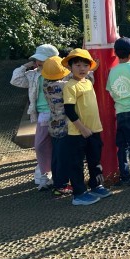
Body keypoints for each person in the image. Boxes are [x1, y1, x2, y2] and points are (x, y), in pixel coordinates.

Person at [62, 48, 113, 206]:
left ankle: (96, 185)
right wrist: (82, 128)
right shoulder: (70, 86)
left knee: (95, 160)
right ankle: (79, 194)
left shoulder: (88, 82)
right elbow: (69, 110)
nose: (82, 68)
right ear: (70, 67)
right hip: (78, 133)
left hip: (94, 130)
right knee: (76, 163)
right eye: (77, 65)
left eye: (85, 65)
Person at [11, 43, 59, 190]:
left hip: (58, 113)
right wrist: (26, 66)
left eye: (42, 59)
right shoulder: (33, 74)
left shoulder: (61, 72)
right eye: (37, 59)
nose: (39, 62)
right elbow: (15, 79)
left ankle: (54, 175)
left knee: (56, 145)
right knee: (41, 145)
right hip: (42, 114)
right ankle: (45, 173)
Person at [106, 37, 130, 186]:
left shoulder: (112, 71)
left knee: (122, 145)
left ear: (116, 53)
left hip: (120, 111)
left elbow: (111, 91)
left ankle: (124, 175)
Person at [41, 56, 73, 198]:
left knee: (56, 157)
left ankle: (57, 183)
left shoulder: (46, 84)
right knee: (64, 158)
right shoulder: (63, 86)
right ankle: (61, 186)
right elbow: (80, 80)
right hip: (64, 126)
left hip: (53, 125)